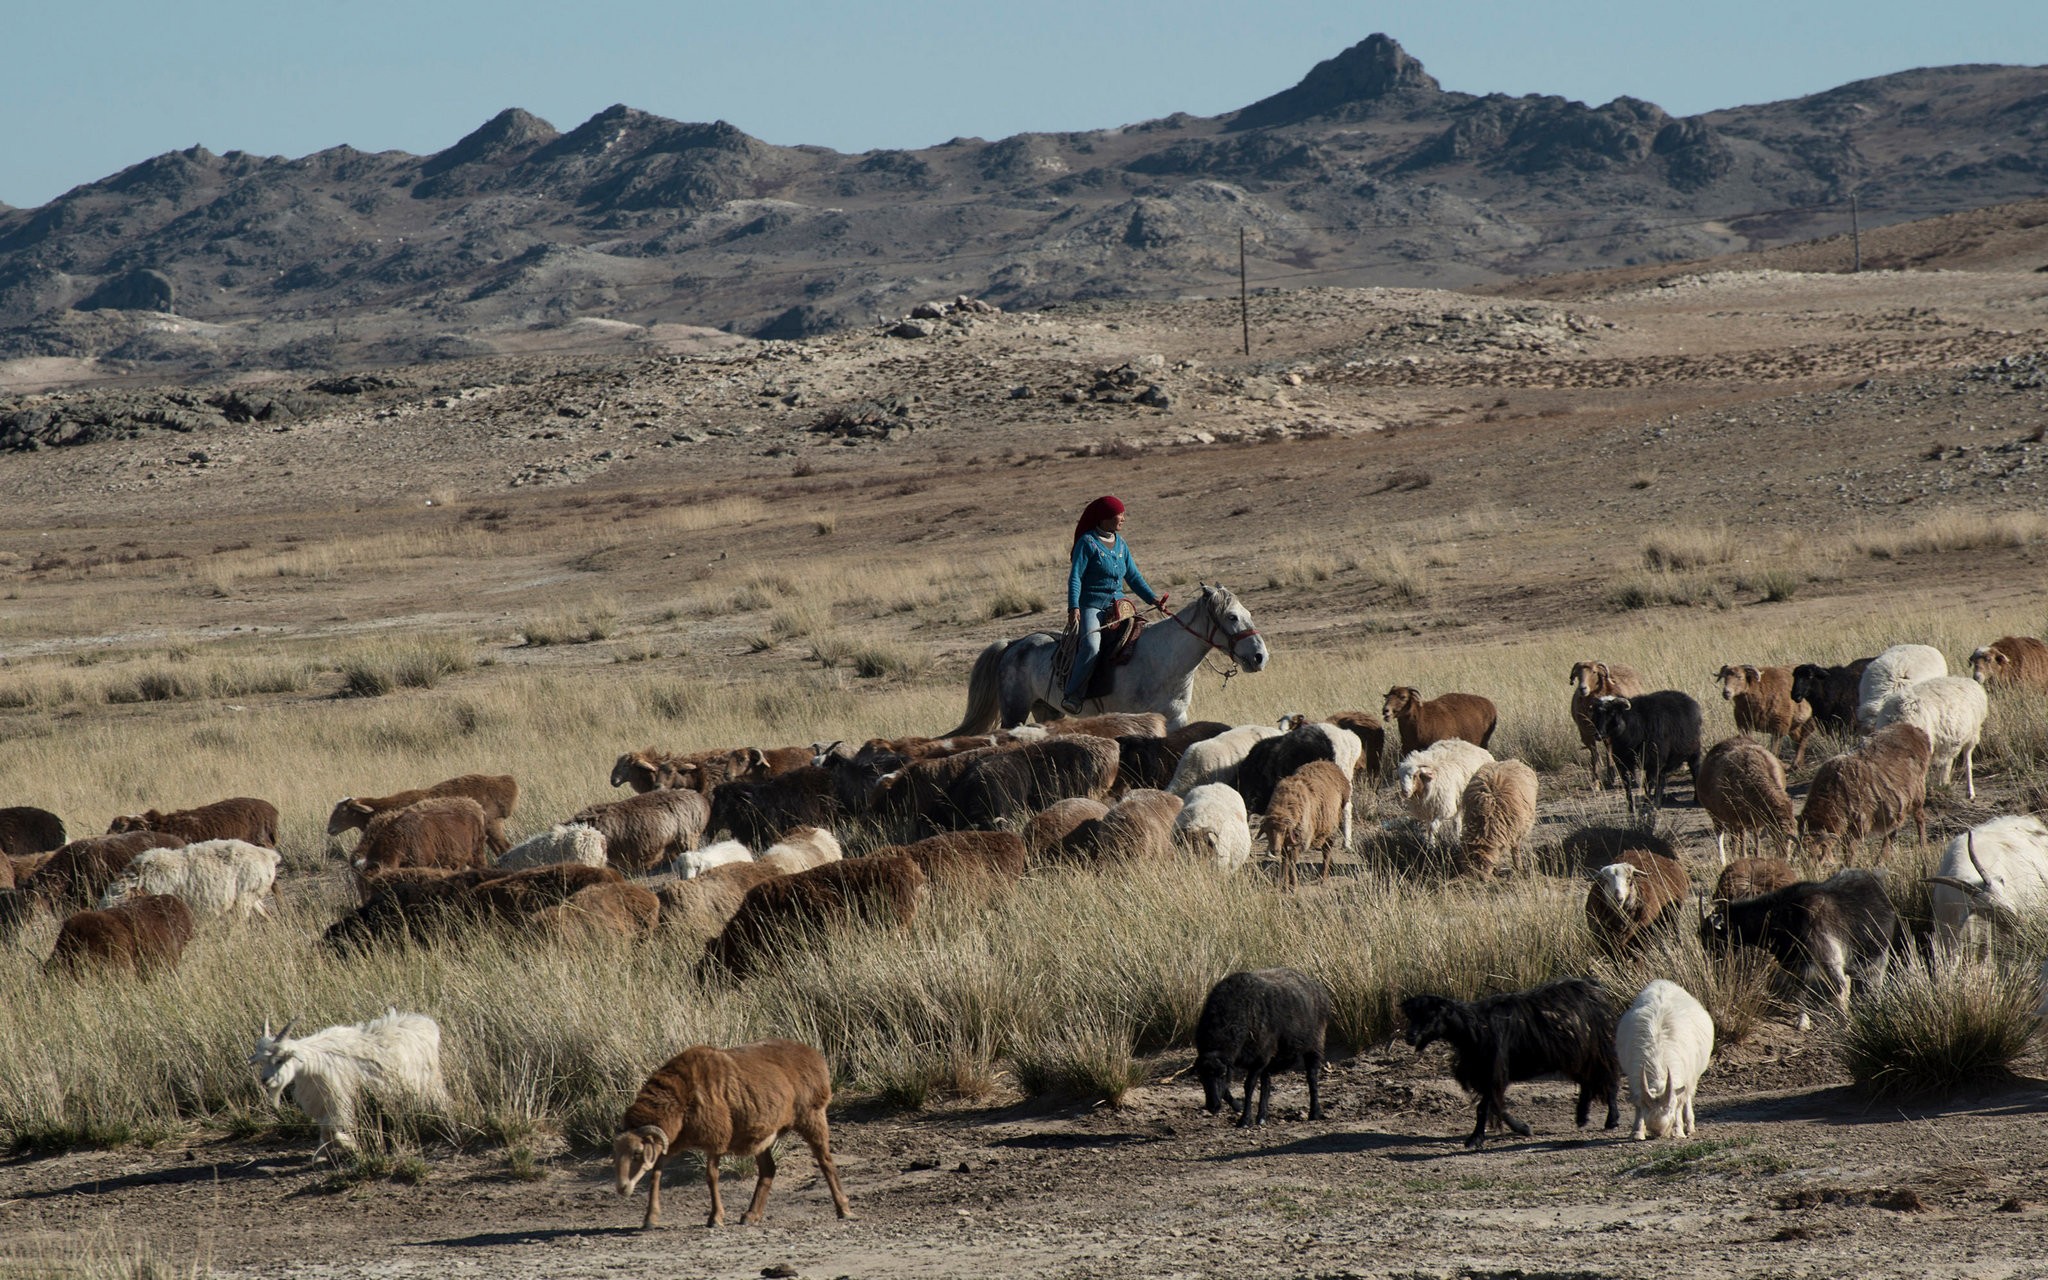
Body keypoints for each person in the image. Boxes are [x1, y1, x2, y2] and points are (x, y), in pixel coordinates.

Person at [1062, 494, 1164, 714]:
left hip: (1120, 605)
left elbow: (1134, 577)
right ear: (1105, 517)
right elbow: (1076, 577)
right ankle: (1073, 694)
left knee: (1141, 639)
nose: (1123, 519)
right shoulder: (1087, 543)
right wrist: (1074, 607)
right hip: (1093, 606)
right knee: (1091, 646)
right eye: (1120, 514)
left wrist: (1153, 599)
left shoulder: (1121, 544)